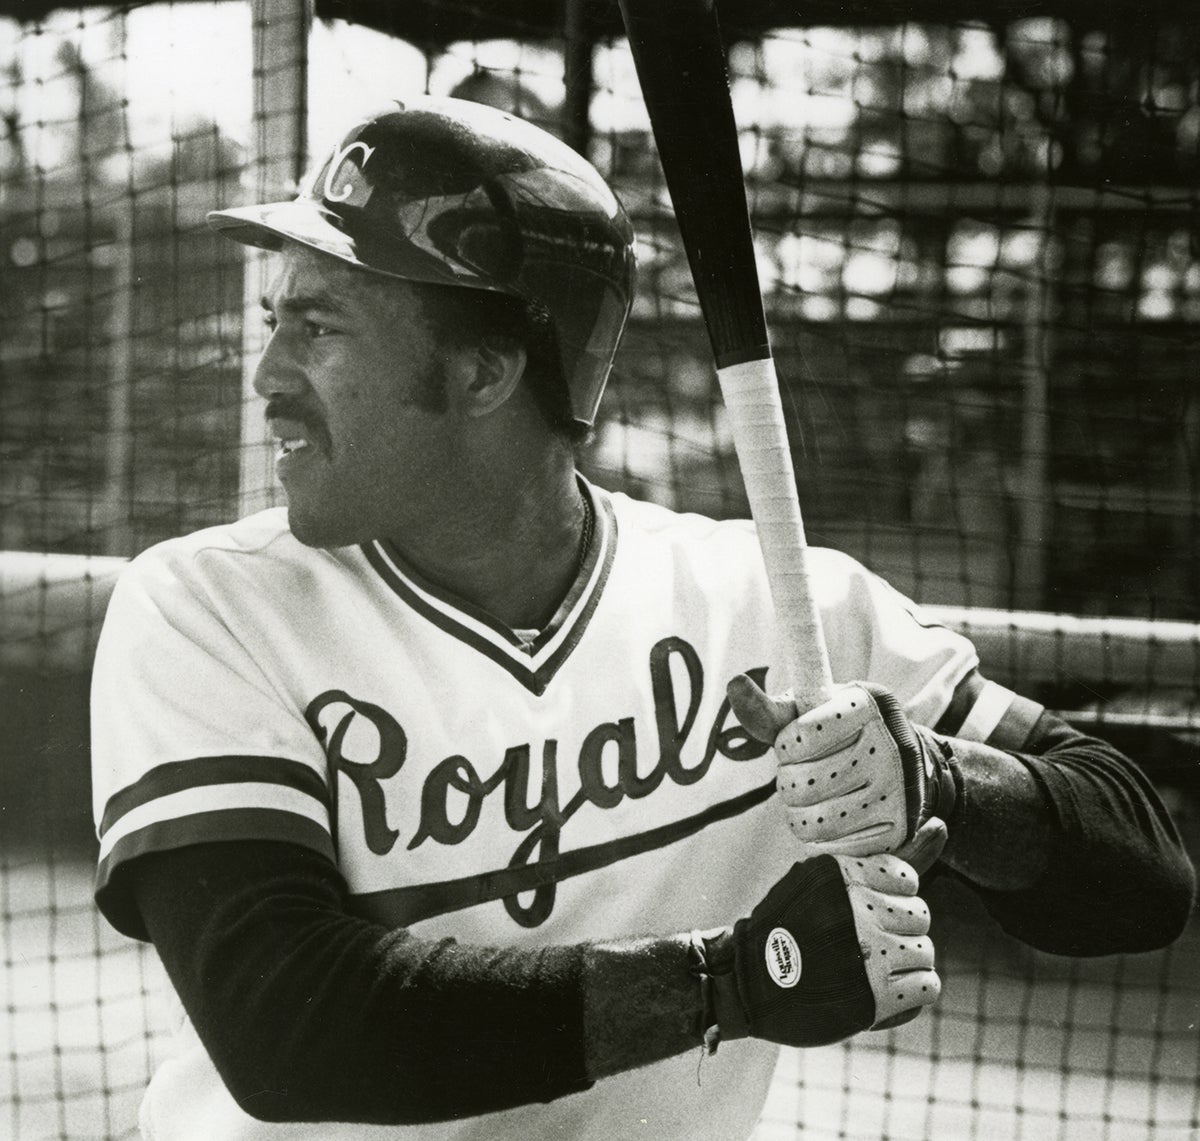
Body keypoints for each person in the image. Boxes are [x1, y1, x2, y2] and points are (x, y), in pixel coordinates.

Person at [90, 97, 1194, 1141]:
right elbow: (290, 1025)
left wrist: (939, 779)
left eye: (318, 327)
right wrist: (727, 981)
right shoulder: (206, 606)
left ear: (485, 370)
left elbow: (1142, 873)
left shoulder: (768, 601)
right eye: (274, 318)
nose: (267, 374)